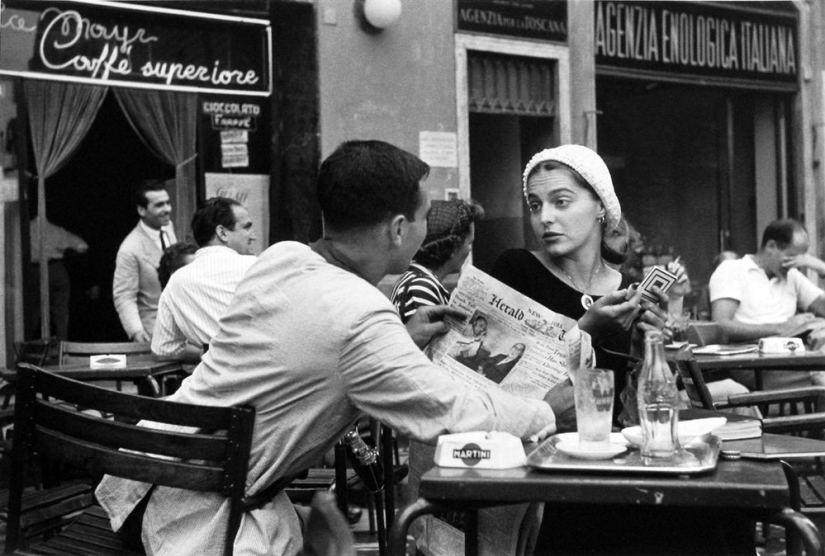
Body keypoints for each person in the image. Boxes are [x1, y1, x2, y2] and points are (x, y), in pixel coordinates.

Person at [95, 140, 557, 555]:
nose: (424, 229)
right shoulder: (360, 314)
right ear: (398, 229)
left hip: (148, 476)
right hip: (202, 521)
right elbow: (446, 408)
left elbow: (314, 349)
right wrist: (547, 411)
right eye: (422, 217)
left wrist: (402, 337)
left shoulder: (282, 257)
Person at [490, 144, 670, 425]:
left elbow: (635, 410)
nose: (544, 218)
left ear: (600, 205)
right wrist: (587, 329)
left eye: (561, 202)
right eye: (535, 206)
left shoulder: (628, 291)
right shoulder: (516, 269)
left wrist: (645, 347)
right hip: (532, 443)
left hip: (608, 443)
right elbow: (495, 380)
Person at [709, 218, 825, 390]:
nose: (796, 264)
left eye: (801, 259)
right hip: (752, 360)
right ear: (771, 246)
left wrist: (820, 267)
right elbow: (720, 325)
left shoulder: (792, 275)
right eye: (791, 256)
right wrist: (780, 328)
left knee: (820, 327)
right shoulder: (733, 270)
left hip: (794, 353)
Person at [151, 198, 257, 363]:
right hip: (273, 371)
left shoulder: (176, 281)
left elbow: (162, 349)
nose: (253, 236)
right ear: (222, 233)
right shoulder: (258, 267)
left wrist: (205, 352)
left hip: (218, 374)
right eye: (246, 227)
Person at [390, 198, 483, 323]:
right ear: (455, 247)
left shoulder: (414, 278)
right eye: (469, 243)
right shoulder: (422, 287)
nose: (469, 249)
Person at [113, 179, 177, 343]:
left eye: (168, 203)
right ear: (142, 210)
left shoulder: (168, 228)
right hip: (154, 332)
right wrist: (136, 331)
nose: (167, 209)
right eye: (159, 205)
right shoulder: (130, 248)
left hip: (181, 326)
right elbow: (124, 296)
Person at [26, 215, 89, 341]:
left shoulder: (26, 230)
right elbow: (82, 246)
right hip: (57, 269)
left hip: (36, 270)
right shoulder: (57, 231)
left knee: (32, 312)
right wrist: (65, 252)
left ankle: (28, 344)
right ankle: (62, 344)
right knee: (61, 313)